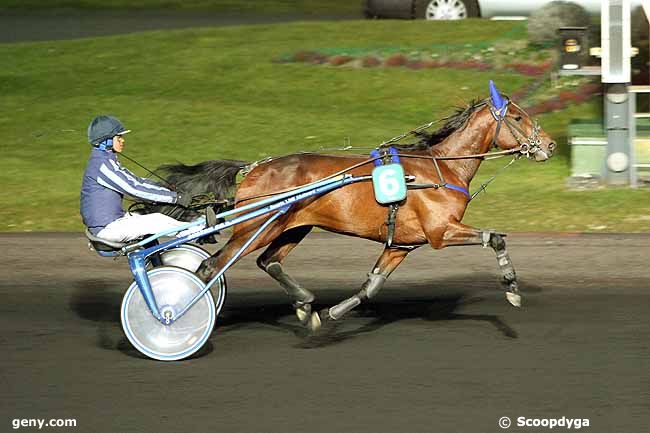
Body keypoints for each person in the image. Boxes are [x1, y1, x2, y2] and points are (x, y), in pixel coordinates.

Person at [80, 115, 203, 243]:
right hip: (108, 229)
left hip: (112, 222)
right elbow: (134, 189)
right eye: (119, 137)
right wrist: (175, 198)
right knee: (157, 220)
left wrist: (165, 188)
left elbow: (137, 181)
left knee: (150, 215)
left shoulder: (106, 161)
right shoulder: (102, 167)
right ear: (107, 140)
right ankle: (194, 231)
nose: (123, 140)